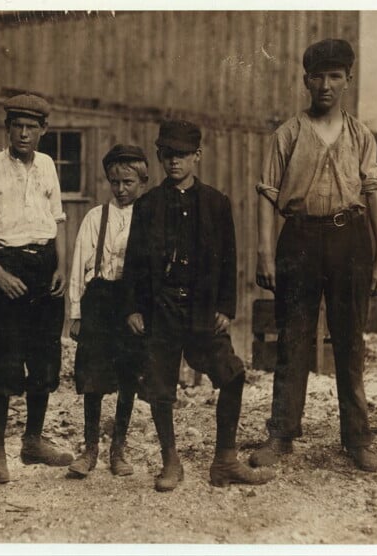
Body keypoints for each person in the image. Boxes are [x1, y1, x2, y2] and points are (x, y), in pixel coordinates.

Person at [250, 39, 377, 473]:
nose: (326, 85)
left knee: (350, 341)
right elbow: (267, 195)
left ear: (347, 80)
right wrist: (264, 253)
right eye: (319, 76)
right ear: (305, 80)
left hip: (350, 241)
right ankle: (281, 435)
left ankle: (357, 437)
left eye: (335, 76)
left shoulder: (360, 134)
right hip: (299, 240)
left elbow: (374, 193)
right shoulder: (288, 133)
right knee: (293, 340)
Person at [124, 120, 276, 491]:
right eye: (166, 154)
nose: (173, 161)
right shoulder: (147, 205)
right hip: (161, 310)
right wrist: (133, 308)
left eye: (181, 154)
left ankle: (225, 461)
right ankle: (170, 463)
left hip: (203, 310)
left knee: (232, 374)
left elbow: (229, 258)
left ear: (198, 156)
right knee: (160, 387)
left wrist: (226, 306)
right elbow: (134, 263)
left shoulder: (216, 203)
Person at [0, 93, 73, 483]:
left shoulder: (47, 165)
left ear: (44, 130)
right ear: (8, 128)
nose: (24, 132)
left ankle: (32, 441)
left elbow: (57, 219)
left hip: (44, 265)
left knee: (45, 357)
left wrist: (61, 265)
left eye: (32, 126)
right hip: (4, 265)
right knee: (1, 361)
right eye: (18, 125)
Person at [66, 144, 148, 478]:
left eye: (128, 182)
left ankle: (119, 449)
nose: (121, 189)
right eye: (115, 182)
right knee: (93, 376)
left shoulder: (148, 217)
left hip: (131, 304)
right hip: (98, 300)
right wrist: (75, 312)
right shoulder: (94, 217)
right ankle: (89, 450)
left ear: (141, 181)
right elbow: (76, 266)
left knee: (129, 374)